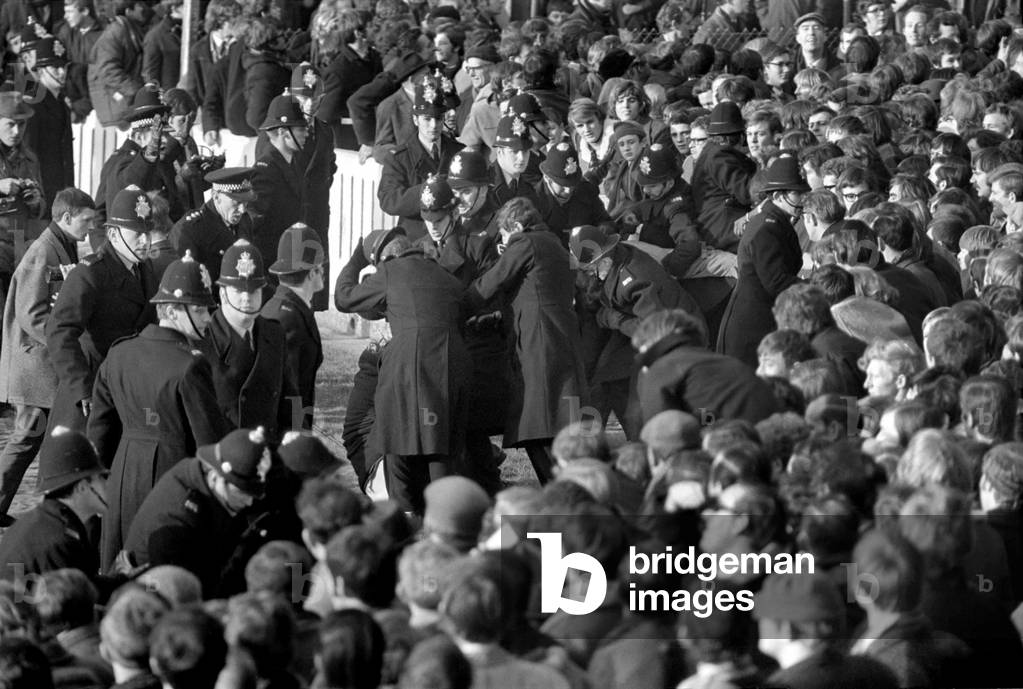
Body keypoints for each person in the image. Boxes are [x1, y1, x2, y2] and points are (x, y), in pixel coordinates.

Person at [88, 251, 229, 570]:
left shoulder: (119, 353)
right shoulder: (191, 365)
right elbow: (210, 446)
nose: (208, 318)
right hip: (172, 483)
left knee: (119, 572)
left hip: (122, 480)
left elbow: (99, 431)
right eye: (199, 310)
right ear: (172, 310)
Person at [334, 227, 472, 512]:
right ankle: (444, 518)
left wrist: (356, 261)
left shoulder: (390, 271)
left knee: (397, 443)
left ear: (384, 258)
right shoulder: (444, 274)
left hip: (410, 364)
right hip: (453, 364)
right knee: (441, 448)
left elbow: (344, 298)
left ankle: (405, 515)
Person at [467, 197, 587, 484]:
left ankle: (559, 490)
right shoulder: (554, 244)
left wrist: (455, 305)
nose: (503, 243)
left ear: (517, 226)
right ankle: (564, 487)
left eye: (504, 235)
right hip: (558, 338)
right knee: (550, 423)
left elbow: (490, 284)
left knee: (537, 425)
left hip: (538, 343)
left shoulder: (525, 243)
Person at [0, 188, 96, 525]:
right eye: (86, 220)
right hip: (35, 366)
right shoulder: (42, 250)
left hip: (44, 365)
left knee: (33, 438)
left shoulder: (62, 245)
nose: (91, 227)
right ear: (67, 217)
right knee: (27, 437)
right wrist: (64, 339)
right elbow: (30, 313)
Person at [571, 224, 704, 440]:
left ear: (604, 261)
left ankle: (645, 442)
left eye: (589, 269)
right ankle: (593, 443)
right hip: (634, 332)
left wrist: (613, 319)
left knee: (634, 397)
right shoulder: (611, 264)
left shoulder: (636, 277)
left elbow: (653, 328)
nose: (587, 274)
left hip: (672, 336)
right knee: (605, 377)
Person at [44, 185, 157, 437]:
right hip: (91, 389)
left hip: (128, 388)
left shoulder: (145, 270)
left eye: (147, 233)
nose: (145, 241)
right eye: (136, 234)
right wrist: (81, 387)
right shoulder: (90, 273)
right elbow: (60, 331)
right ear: (113, 234)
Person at [121, 427, 268, 597]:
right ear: (215, 477)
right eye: (241, 493)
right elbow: (176, 594)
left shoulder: (202, 478)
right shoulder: (177, 519)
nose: (249, 502)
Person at [199, 240, 296, 440]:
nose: (246, 298)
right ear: (222, 293)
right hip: (222, 454)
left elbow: (290, 399)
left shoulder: (274, 334)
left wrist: (293, 441)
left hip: (267, 453)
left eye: (253, 291)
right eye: (238, 291)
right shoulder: (203, 340)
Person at [718, 156, 807, 367]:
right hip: (750, 329)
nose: (803, 199)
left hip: (762, 322)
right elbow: (776, 282)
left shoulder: (776, 221)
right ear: (777, 196)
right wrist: (816, 286)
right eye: (797, 194)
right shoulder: (766, 228)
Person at [632, 309, 779, 426]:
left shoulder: (662, 368)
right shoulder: (717, 361)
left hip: (736, 441)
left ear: (648, 344)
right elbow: (708, 412)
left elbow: (660, 433)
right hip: (771, 427)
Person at [0, 428, 107, 582]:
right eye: (102, 478)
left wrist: (122, 578)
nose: (107, 485)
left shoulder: (48, 521)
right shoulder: (59, 542)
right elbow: (75, 593)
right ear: (82, 487)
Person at [377, 71, 463, 241]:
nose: (434, 125)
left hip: (453, 236)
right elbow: (389, 199)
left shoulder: (459, 152)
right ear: (416, 120)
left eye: (438, 118)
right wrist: (431, 189)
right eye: (427, 119)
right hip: (415, 237)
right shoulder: (399, 157)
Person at [261, 223, 325, 430]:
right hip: (285, 435)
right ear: (313, 272)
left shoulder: (289, 308)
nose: (323, 271)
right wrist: (298, 436)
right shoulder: (288, 319)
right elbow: (286, 390)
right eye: (321, 267)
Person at [95, 85, 184, 221]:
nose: (165, 140)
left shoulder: (162, 160)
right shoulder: (119, 162)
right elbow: (132, 181)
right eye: (158, 135)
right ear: (138, 137)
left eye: (166, 134)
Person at [249, 94, 307, 270]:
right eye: (300, 129)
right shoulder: (266, 170)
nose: (306, 133)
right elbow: (255, 223)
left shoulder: (293, 162)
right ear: (282, 132)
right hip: (272, 261)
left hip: (290, 255)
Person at [169, 166, 255, 285]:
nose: (242, 209)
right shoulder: (191, 230)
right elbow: (187, 284)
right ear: (216, 196)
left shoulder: (244, 220)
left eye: (246, 203)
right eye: (237, 203)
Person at [690, 101, 756, 253]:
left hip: (717, 229)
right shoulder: (719, 155)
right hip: (725, 232)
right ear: (741, 136)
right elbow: (747, 193)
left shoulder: (711, 152)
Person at [23, 37, 74, 215]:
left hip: (61, 192)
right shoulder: (32, 103)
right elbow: (28, 153)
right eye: (55, 67)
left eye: (64, 67)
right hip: (42, 195)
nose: (62, 72)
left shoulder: (61, 103)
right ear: (40, 70)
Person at [86, 0, 152, 127]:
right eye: (139, 5)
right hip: (116, 108)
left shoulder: (131, 30)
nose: (144, 8)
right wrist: (136, 91)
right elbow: (108, 71)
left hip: (123, 106)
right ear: (128, 11)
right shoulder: (116, 32)